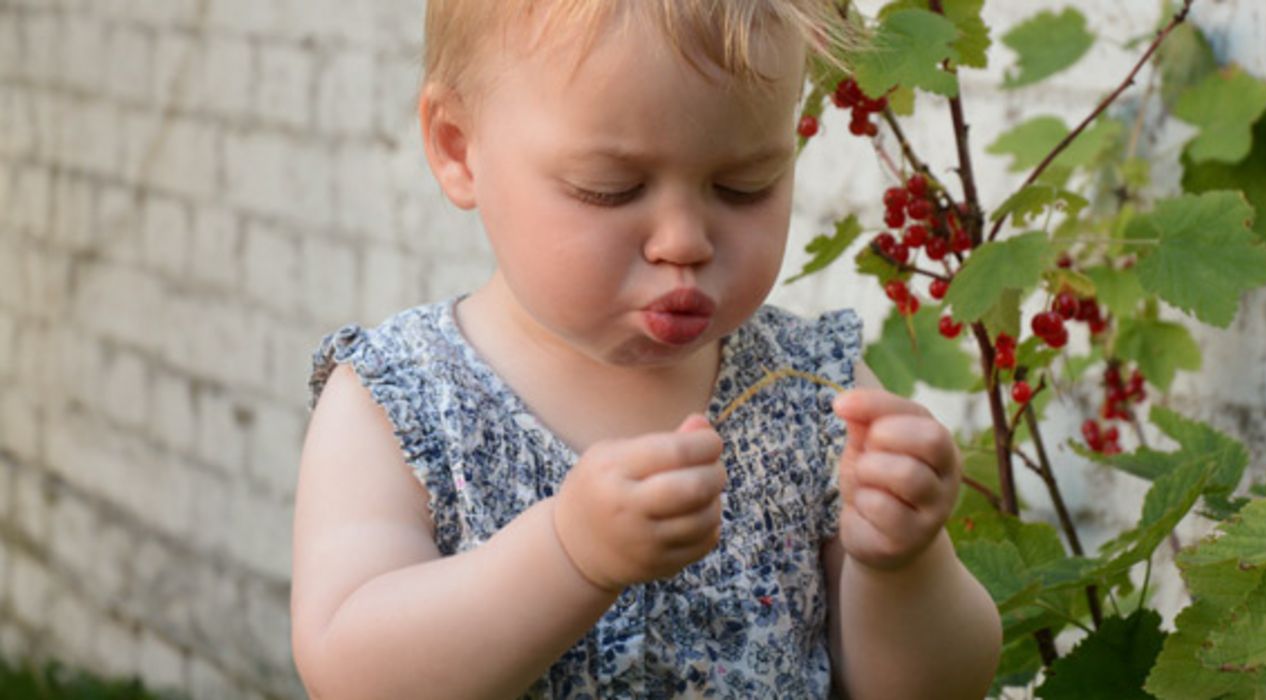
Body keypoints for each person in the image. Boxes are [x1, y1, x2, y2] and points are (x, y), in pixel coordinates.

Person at [290, 1, 1002, 697]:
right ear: (457, 147)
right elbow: (351, 674)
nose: (683, 241)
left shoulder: (814, 390)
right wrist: (567, 554)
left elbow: (934, 687)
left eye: (743, 187)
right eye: (611, 189)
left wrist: (901, 566)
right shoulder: (400, 400)